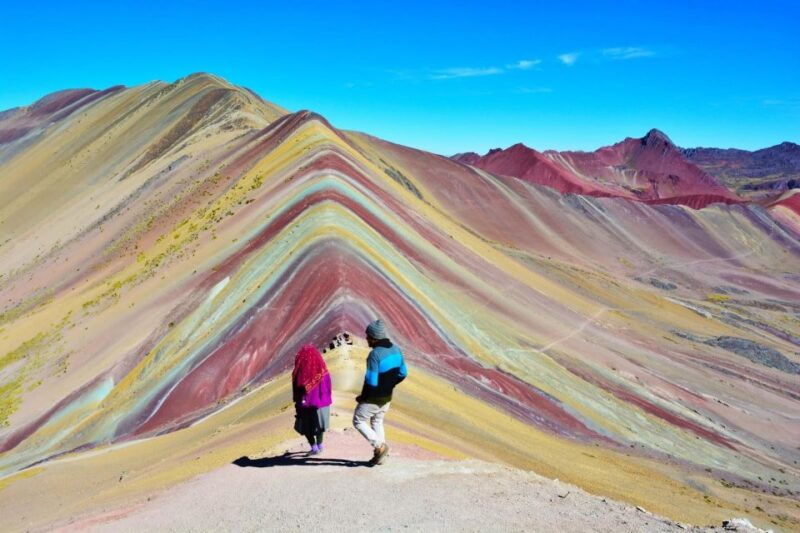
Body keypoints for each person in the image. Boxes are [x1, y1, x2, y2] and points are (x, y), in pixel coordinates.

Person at [353, 319, 408, 465]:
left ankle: (380, 447)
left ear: (374, 337)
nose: (366, 339)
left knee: (358, 420)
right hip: (387, 396)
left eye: (367, 336)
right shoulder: (396, 349)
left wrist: (363, 398)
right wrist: (389, 384)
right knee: (377, 421)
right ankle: (381, 456)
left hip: (374, 397)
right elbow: (403, 373)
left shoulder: (375, 355)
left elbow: (371, 382)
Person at [292, 344, 332, 455]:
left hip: (304, 405)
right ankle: (320, 445)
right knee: (320, 425)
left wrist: (299, 401)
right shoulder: (322, 369)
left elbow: (297, 387)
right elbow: (328, 385)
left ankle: (314, 447)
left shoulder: (299, 372)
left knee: (307, 426)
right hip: (322, 403)